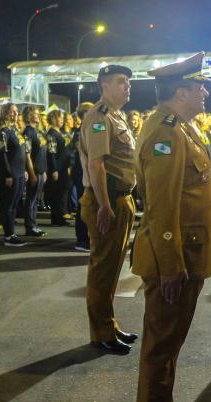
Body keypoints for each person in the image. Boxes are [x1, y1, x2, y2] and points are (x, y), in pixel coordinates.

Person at [132, 51, 211, 402]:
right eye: (200, 86)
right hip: (174, 256)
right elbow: (162, 205)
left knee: (171, 342)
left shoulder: (182, 128)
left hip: (189, 252)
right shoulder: (166, 133)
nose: (205, 92)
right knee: (162, 342)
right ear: (181, 92)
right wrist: (170, 264)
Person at [78, 64, 138, 355]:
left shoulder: (117, 115)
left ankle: (109, 324)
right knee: (103, 268)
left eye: (128, 82)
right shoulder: (99, 117)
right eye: (121, 81)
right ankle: (101, 332)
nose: (128, 86)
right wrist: (103, 205)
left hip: (120, 198)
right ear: (104, 85)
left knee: (113, 267)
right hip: (107, 200)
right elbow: (96, 164)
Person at [0, 102, 28, 247]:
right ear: (5, 113)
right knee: (8, 205)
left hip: (19, 172)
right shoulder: (2, 131)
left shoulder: (13, 129)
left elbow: (20, 152)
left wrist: (24, 170)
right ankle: (8, 236)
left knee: (14, 205)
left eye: (16, 111)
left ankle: (12, 233)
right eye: (12, 111)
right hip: (10, 174)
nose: (15, 113)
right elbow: (1, 155)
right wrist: (8, 174)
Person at [22, 105, 47, 237]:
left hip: (40, 171)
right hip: (34, 171)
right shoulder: (28, 132)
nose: (38, 116)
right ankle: (30, 227)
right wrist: (32, 173)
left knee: (35, 200)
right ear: (29, 115)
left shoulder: (37, 131)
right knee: (31, 199)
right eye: (36, 114)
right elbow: (27, 154)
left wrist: (44, 171)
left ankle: (34, 225)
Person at [71, 103, 93, 252]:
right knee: (83, 205)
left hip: (85, 171)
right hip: (82, 172)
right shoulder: (80, 132)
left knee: (87, 205)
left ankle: (86, 236)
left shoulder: (86, 130)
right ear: (84, 114)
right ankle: (82, 239)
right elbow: (84, 155)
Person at [45, 109, 70, 226]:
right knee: (58, 194)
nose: (62, 120)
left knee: (61, 193)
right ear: (54, 119)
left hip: (62, 167)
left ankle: (60, 217)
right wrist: (54, 169)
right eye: (60, 118)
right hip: (58, 168)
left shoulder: (58, 132)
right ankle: (58, 218)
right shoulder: (51, 134)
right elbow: (51, 152)